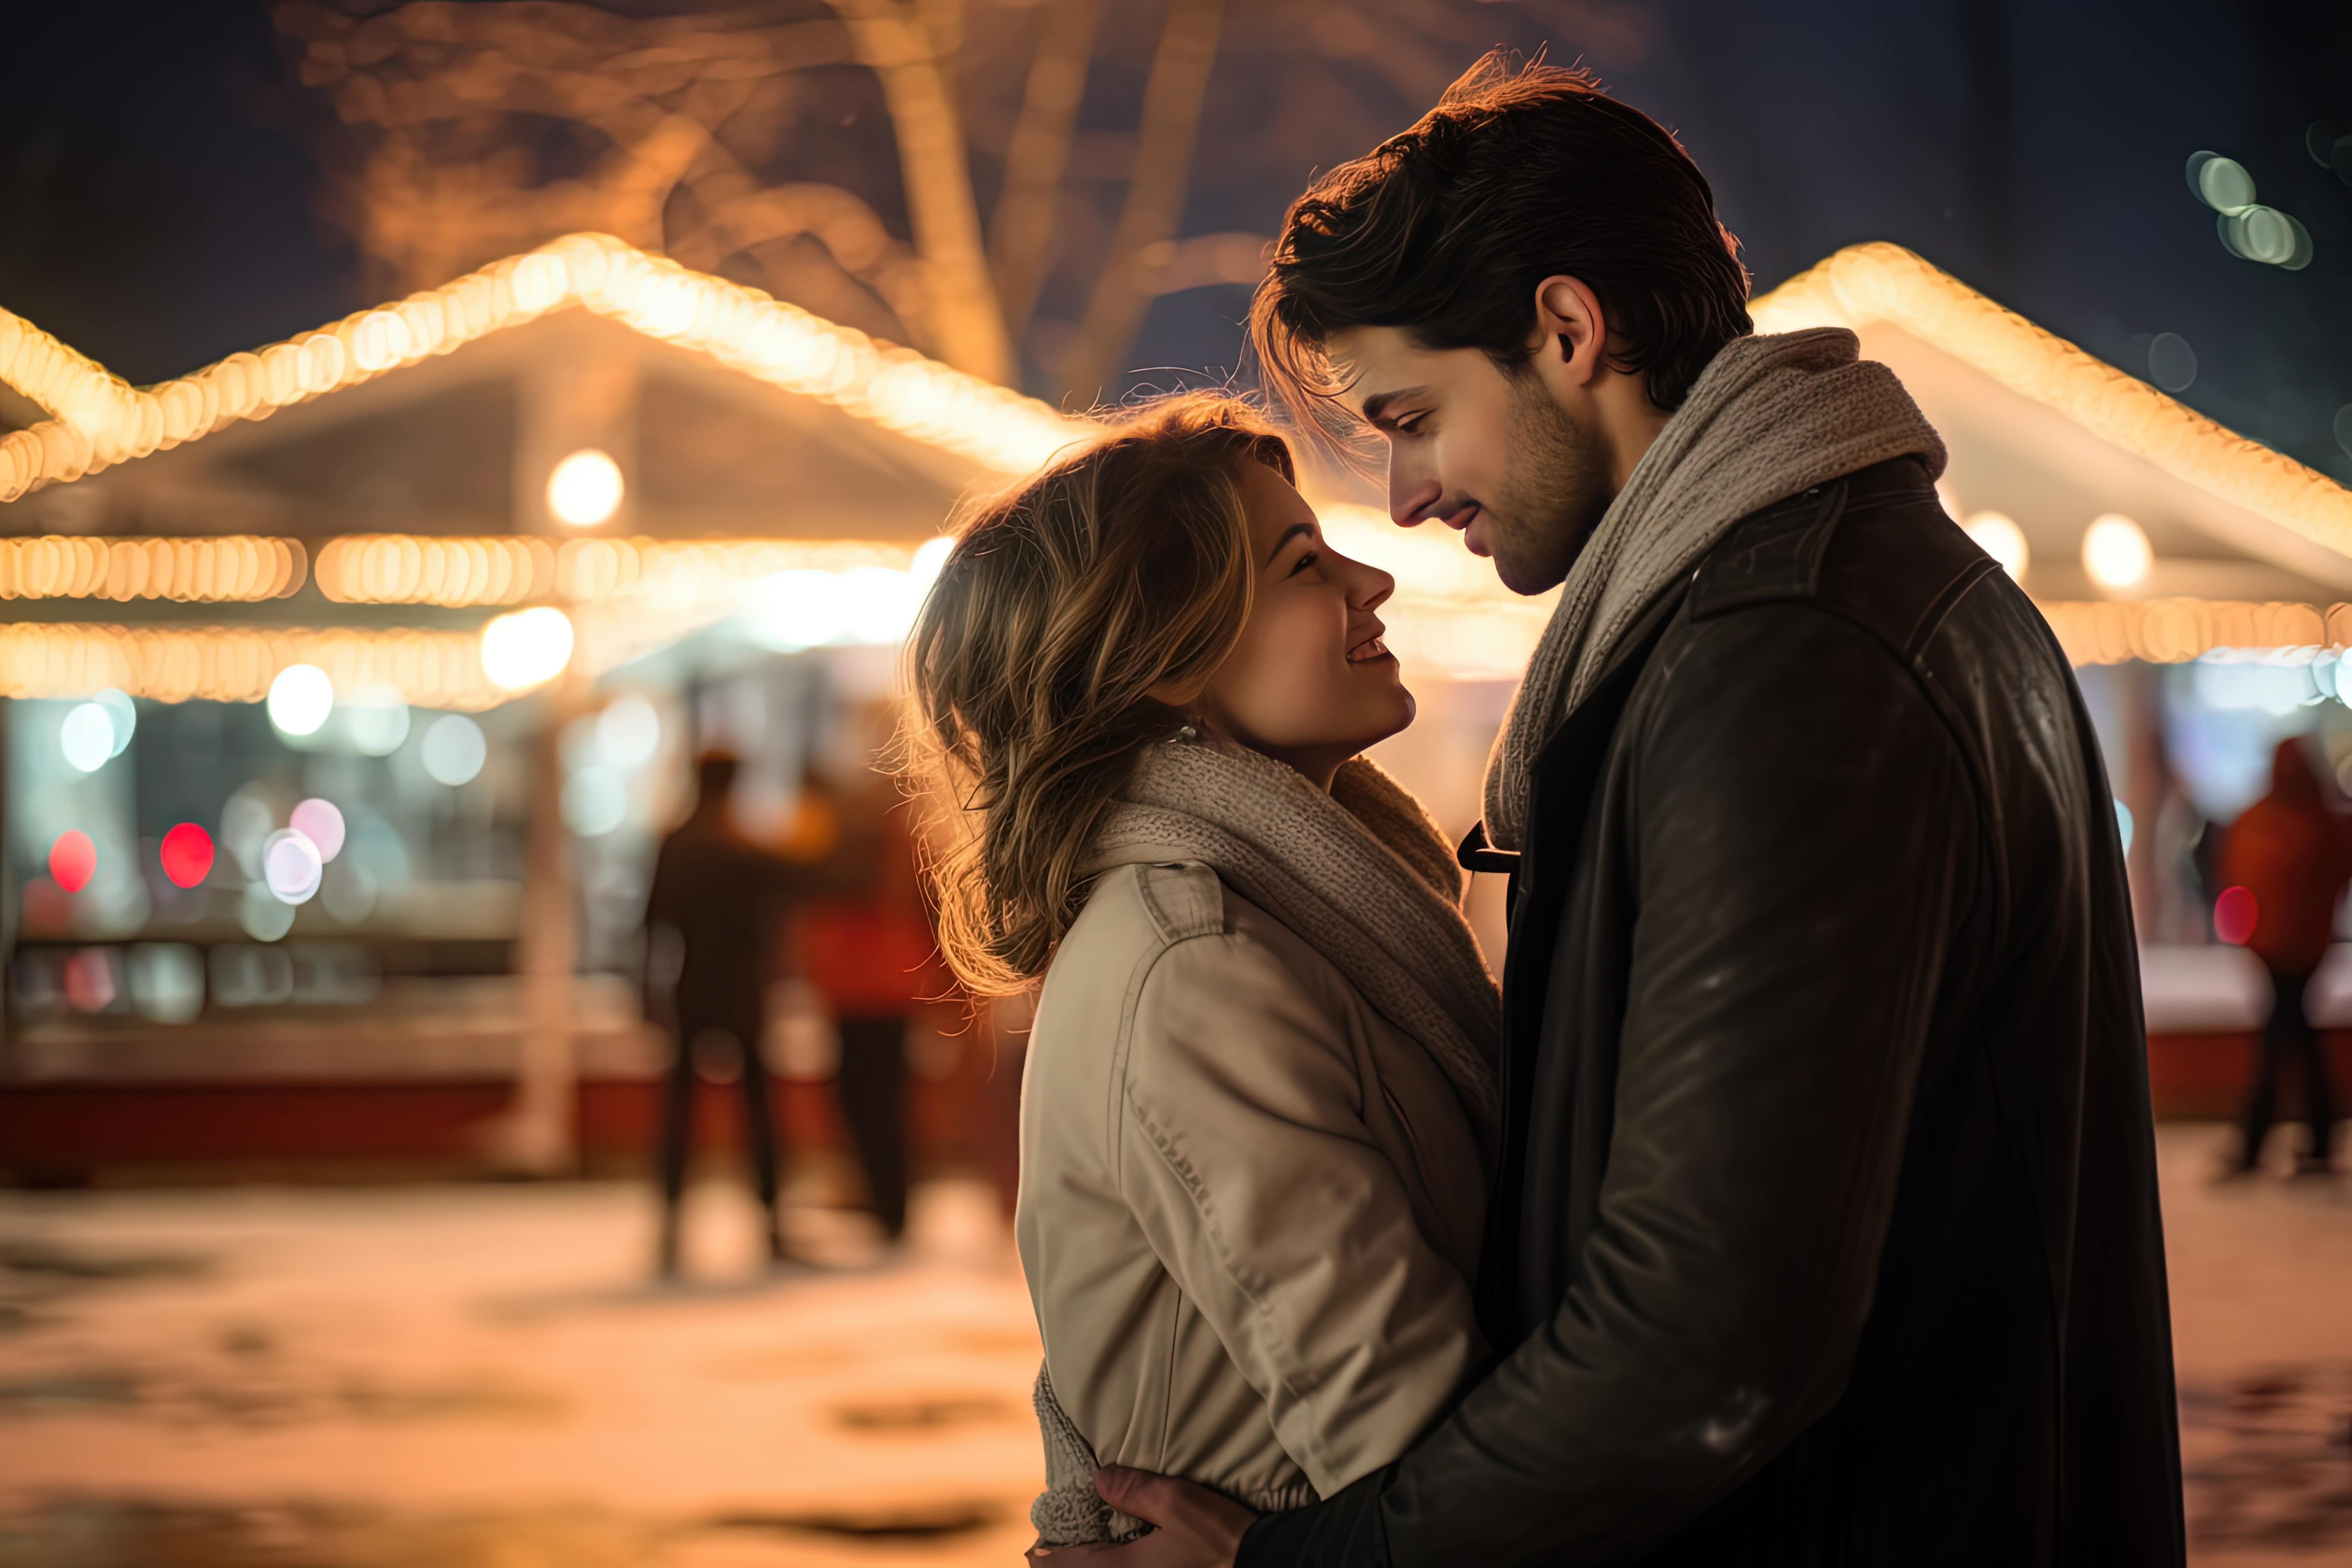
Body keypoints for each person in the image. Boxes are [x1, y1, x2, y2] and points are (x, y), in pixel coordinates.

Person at [1077, 55, 2185, 1565]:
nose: (1401, 499)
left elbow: (1702, 1345)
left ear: (1562, 329)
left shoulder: (1785, 660)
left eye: (1410, 414)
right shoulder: (1793, 608)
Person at [902, 395, 1500, 1550]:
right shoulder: (1197, 969)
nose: (1369, 584)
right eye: (1303, 565)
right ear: (1164, 659)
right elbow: (1408, 1431)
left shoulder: (1283, 925)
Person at [644, 750, 809, 1276]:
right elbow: (798, 892)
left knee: (680, 1110)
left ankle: (670, 1225)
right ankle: (771, 1223)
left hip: (692, 986)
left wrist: (645, 994)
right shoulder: (743, 847)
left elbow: (652, 923)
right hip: (742, 989)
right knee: (759, 1110)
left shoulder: (677, 844)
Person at [2220, 736, 2348, 1176]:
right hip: (2285, 950)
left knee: (2280, 1041)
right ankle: (2312, 1139)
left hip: (2294, 950)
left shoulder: (2278, 822)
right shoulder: (2296, 822)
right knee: (2295, 1037)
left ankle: (2261, 1142)